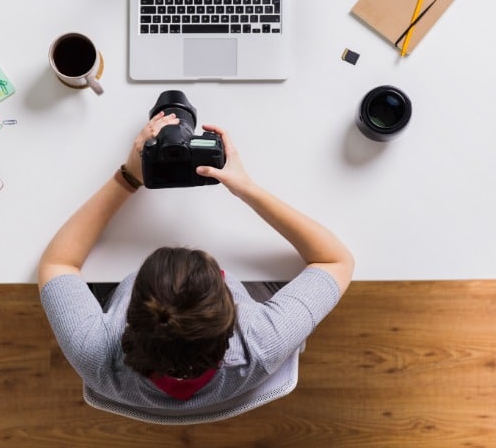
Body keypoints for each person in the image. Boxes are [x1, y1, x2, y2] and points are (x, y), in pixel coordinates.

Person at [38, 113, 354, 417]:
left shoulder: (95, 354)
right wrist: (246, 187)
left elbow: (58, 263)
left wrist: (129, 177)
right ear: (232, 317)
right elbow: (336, 259)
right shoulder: (260, 342)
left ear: (130, 314)